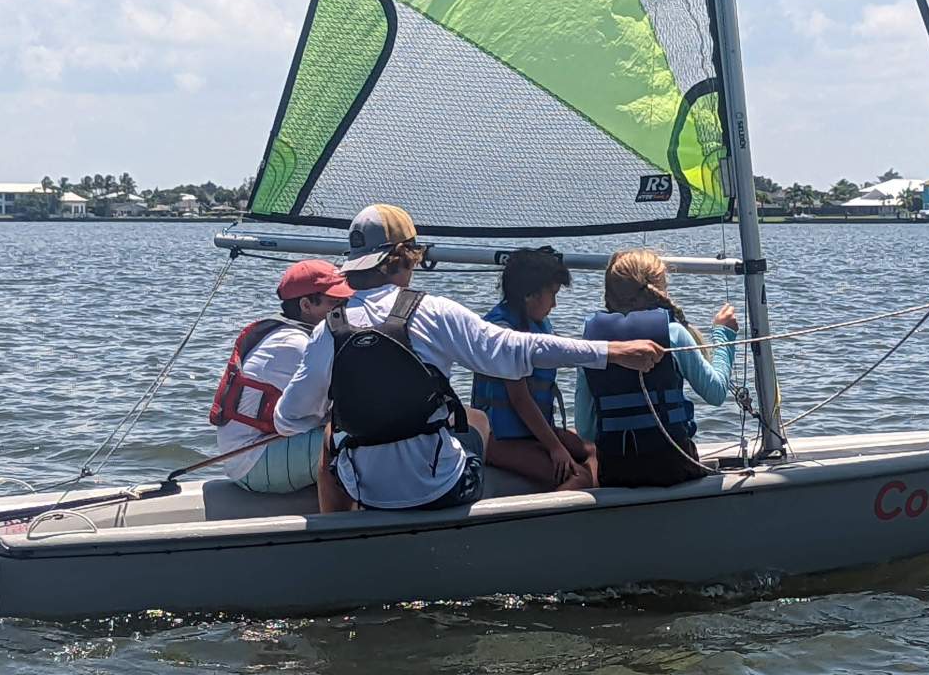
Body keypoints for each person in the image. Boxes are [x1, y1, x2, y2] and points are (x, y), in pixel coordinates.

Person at [272, 204, 664, 512]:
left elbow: (288, 420)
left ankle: (339, 539)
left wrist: (342, 411)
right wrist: (613, 352)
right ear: (404, 257)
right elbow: (517, 349)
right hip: (442, 488)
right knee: (474, 419)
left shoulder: (328, 330)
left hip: (369, 493)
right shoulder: (431, 311)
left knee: (331, 436)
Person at [575, 249, 738, 488]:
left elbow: (586, 429)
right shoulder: (674, 334)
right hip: (674, 467)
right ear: (659, 289)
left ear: (608, 294)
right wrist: (724, 334)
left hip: (616, 473)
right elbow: (716, 393)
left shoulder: (594, 345)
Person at [210, 259, 353, 493]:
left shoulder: (294, 334)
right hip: (253, 461)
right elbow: (331, 406)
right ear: (306, 305)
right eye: (335, 303)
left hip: (255, 453)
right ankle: (351, 519)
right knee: (362, 438)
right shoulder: (293, 344)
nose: (344, 309)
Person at [471, 248, 599, 491]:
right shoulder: (503, 333)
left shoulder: (536, 322)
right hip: (497, 439)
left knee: (593, 451)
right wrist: (555, 447)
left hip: (525, 433)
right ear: (529, 295)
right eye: (552, 294)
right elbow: (519, 399)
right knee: (579, 477)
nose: (555, 303)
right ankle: (544, 528)